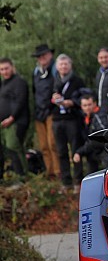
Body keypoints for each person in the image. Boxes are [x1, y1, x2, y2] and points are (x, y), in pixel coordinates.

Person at [51, 54, 85, 189]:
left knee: (76, 149)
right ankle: (66, 181)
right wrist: (53, 99)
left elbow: (84, 97)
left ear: (70, 66)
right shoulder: (53, 81)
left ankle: (78, 180)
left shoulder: (77, 81)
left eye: (66, 64)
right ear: (57, 67)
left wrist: (71, 103)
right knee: (61, 151)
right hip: (57, 119)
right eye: (61, 64)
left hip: (72, 118)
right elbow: (45, 99)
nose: (63, 67)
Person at [31, 43, 60, 179]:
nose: (41, 58)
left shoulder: (56, 69)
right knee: (43, 145)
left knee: (53, 143)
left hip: (52, 111)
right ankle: (50, 173)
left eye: (44, 55)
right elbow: (34, 91)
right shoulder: (36, 72)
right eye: (39, 56)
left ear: (50, 55)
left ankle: (59, 171)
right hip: (39, 112)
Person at [0, 57, 29, 175]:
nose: (4, 71)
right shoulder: (4, 84)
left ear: (12, 67)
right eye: (1, 69)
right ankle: (18, 175)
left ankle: (23, 176)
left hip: (16, 121)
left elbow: (20, 101)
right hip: (6, 123)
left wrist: (12, 117)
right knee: (10, 149)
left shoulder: (19, 82)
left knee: (14, 147)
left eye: (6, 68)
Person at [73, 93, 108, 173]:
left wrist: (80, 152)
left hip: (106, 151)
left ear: (95, 104)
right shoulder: (85, 117)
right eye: (85, 105)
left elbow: (101, 137)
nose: (87, 108)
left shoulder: (99, 116)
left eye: (89, 105)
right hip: (93, 151)